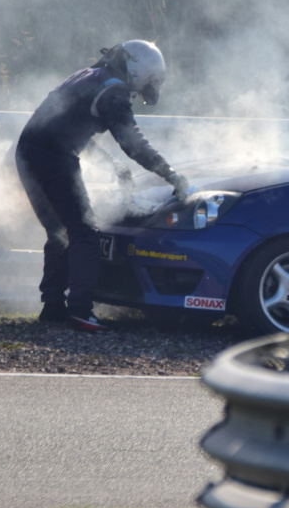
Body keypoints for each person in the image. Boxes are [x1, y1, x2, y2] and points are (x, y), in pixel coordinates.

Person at [15, 40, 189, 332]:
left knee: (59, 231)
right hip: (53, 158)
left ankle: (53, 307)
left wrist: (111, 165)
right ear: (139, 70)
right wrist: (171, 174)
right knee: (85, 234)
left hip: (27, 152)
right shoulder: (114, 90)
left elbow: (68, 126)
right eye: (142, 86)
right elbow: (132, 142)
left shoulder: (86, 76)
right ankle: (81, 311)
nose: (137, 93)